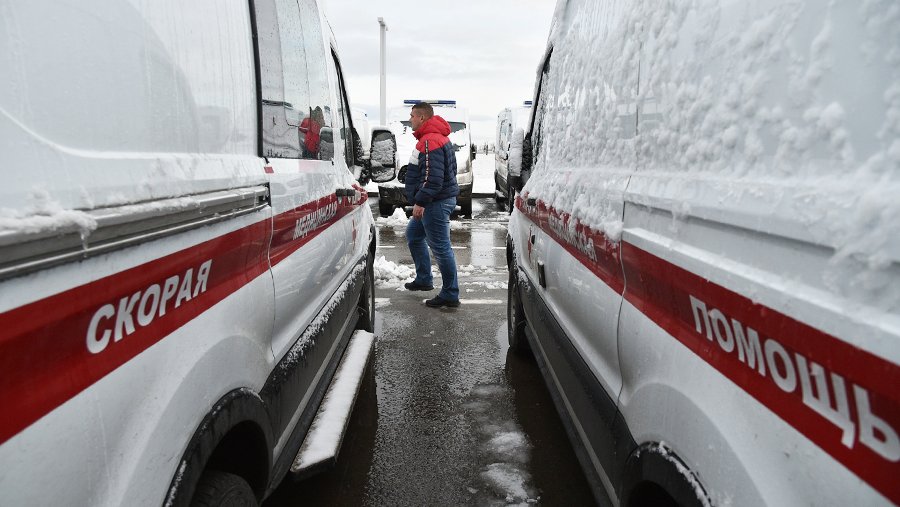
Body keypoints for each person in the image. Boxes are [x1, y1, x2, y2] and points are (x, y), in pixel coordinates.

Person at [403, 102, 460, 308]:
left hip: (434, 203)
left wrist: (420, 201)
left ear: (422, 118)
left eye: (412, 116)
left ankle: (450, 293)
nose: (410, 119)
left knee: (441, 248)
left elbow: (433, 178)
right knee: (414, 236)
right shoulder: (433, 138)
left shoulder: (430, 141)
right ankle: (424, 279)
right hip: (435, 200)